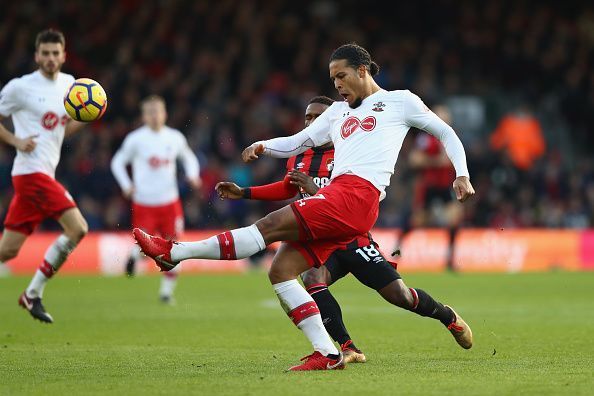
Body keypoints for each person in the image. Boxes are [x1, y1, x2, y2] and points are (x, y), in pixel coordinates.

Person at [134, 43, 475, 371]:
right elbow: (297, 142)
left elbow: (446, 133)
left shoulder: (400, 102)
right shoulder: (338, 113)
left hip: (359, 195)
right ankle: (328, 352)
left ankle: (173, 252)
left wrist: (461, 174)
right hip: (341, 200)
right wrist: (263, 146)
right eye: (333, 80)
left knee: (270, 228)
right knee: (281, 270)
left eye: (342, 76)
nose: (338, 85)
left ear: (362, 70)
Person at [216, 95, 368, 363]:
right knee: (310, 279)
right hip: (315, 231)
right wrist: (245, 192)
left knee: (397, 293)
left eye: (317, 117)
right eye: (307, 117)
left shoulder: (349, 151)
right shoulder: (300, 153)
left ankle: (446, 317)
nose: (310, 122)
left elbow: (353, 200)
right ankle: (345, 347)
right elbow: (287, 187)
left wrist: (314, 188)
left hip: (350, 234)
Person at [0, 29, 88, 323]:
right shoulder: (20, 87)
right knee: (77, 228)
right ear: (37, 55)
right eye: (45, 53)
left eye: (55, 53)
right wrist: (15, 141)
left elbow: (61, 130)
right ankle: (33, 293)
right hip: (30, 173)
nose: (50, 58)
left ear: (64, 55)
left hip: (43, 173)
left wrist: (86, 118)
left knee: (7, 251)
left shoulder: (69, 85)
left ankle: (31, 295)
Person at [111, 95, 200, 304]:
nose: (154, 116)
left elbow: (188, 157)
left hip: (170, 202)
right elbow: (117, 162)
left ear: (165, 114)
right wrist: (126, 185)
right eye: (149, 112)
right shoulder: (136, 139)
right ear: (143, 116)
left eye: (157, 111)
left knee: (175, 247)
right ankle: (134, 256)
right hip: (144, 203)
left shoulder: (174, 137)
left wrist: (193, 175)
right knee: (146, 245)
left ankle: (166, 293)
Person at [395, 104, 463, 270]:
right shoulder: (427, 138)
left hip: (446, 186)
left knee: (455, 220)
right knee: (417, 221)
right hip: (429, 186)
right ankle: (396, 251)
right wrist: (436, 162)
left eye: (446, 116)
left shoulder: (450, 137)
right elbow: (414, 159)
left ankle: (450, 260)